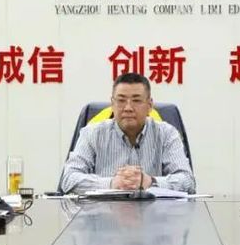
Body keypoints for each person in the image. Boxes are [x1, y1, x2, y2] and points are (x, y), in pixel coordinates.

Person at [59, 73, 195, 194]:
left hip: (155, 213)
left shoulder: (167, 134)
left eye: (136, 101)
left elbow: (188, 181)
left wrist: (150, 181)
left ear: (150, 105)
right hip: (102, 213)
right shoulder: (92, 134)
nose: (128, 108)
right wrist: (111, 183)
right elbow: (68, 178)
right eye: (121, 100)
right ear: (112, 104)